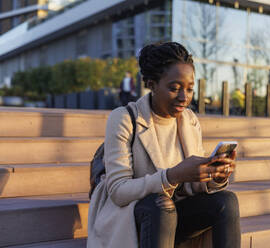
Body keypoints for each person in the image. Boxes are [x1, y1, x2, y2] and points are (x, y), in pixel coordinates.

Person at [87, 42, 240, 248]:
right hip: (134, 219)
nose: (184, 97)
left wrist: (214, 177)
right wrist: (172, 176)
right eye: (174, 88)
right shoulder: (124, 118)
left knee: (226, 202)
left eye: (189, 89)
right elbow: (119, 191)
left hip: (175, 216)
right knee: (161, 206)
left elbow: (190, 185)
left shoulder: (189, 120)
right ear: (151, 83)